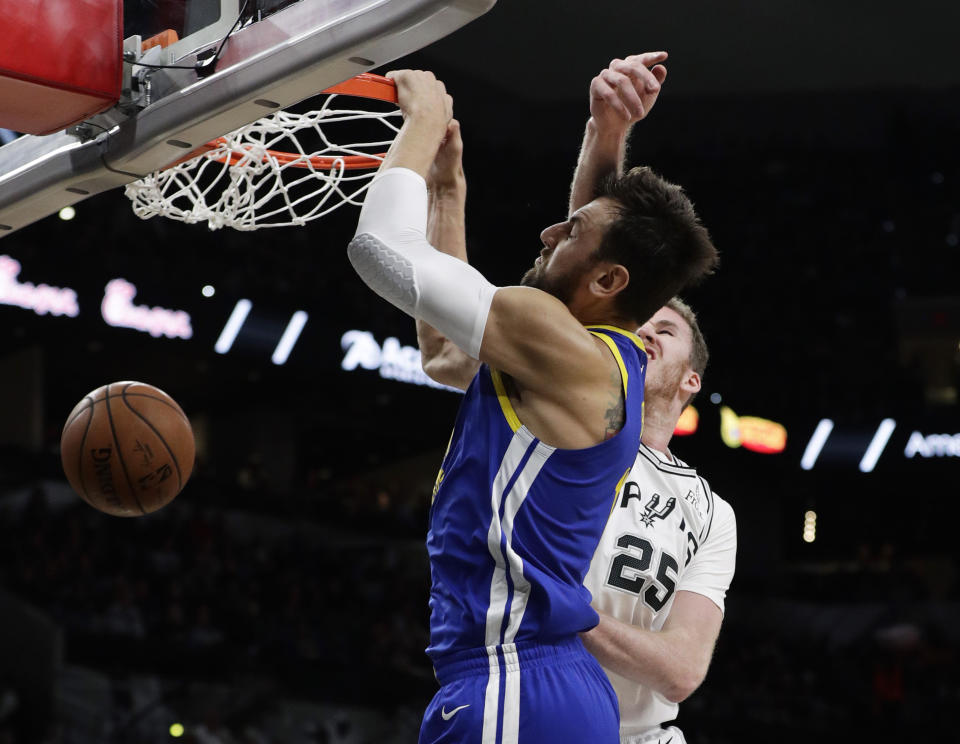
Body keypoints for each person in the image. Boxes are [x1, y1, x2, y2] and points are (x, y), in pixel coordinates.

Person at [347, 56, 718, 744]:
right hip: (526, 684)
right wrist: (449, 194)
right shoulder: (574, 356)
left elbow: (380, 250)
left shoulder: (574, 352)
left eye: (569, 232)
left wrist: (423, 120)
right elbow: (444, 352)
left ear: (610, 279)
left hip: (518, 679)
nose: (550, 233)